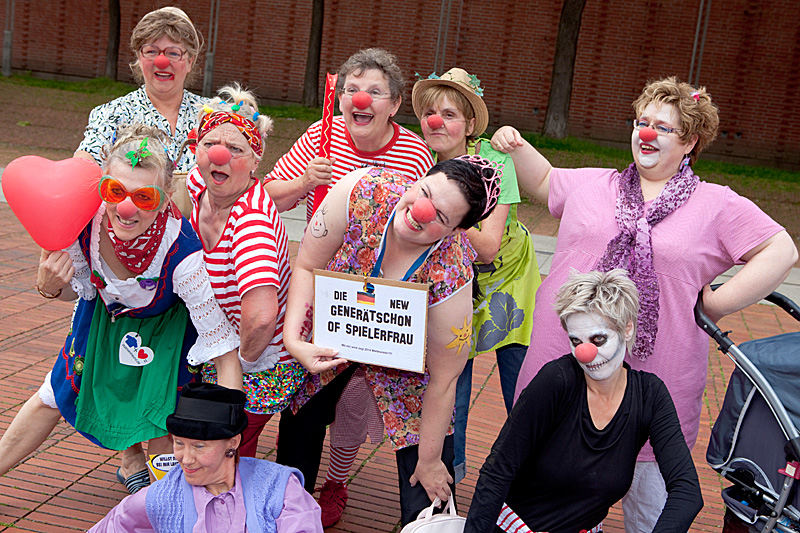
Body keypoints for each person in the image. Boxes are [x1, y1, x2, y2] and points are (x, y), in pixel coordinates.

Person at [492, 76, 799, 530]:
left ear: (691, 141)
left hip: (658, 381)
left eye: (664, 127)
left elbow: (781, 250)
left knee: (651, 514)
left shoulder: (715, 205)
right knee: (547, 511)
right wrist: (513, 145)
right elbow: (543, 179)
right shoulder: (593, 184)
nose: (647, 133)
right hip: (562, 367)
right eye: (641, 121)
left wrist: (716, 305)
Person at [0, 125, 241, 495]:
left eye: (143, 197)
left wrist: (229, 431)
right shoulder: (82, 225)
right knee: (55, 394)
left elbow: (223, 350)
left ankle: (167, 508)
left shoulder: (183, 254)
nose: (125, 209)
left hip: (163, 331)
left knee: (163, 421)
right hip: (102, 320)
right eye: (115, 191)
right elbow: (73, 291)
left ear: (163, 201)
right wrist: (49, 288)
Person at [276, 156, 501, 525]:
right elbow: (305, 264)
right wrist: (294, 341)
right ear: (418, 180)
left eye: (441, 217)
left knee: (428, 473)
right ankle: (286, 513)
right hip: (333, 333)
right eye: (425, 193)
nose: (422, 211)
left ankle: (429, 520)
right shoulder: (361, 192)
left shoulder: (452, 274)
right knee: (301, 417)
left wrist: (430, 460)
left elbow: (444, 380)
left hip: (409, 366)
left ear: (456, 231)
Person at [465, 270, 702, 533]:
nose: (586, 354)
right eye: (576, 341)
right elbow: (498, 470)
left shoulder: (650, 395)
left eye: (598, 339)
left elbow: (687, 490)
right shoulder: (557, 381)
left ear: (627, 328)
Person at [412, 67, 541, 484]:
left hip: (509, 285)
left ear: (469, 125)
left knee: (523, 390)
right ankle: (447, 482)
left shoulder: (496, 162)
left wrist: (442, 213)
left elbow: (486, 246)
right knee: (451, 389)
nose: (436, 122)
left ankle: (533, 484)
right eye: (431, 113)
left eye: (448, 114)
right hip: (458, 287)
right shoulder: (422, 164)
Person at [187, 84, 306, 458]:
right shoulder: (199, 183)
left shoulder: (251, 222)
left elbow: (260, 320)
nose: (219, 155)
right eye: (210, 145)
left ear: (256, 161)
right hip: (216, 342)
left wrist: (234, 365)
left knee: (226, 448)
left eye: (235, 149)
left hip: (259, 361)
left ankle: (234, 504)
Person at [88, 382, 323, 532]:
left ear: (233, 443)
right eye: (179, 443)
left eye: (199, 446)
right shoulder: (162, 497)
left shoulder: (278, 488)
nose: (185, 459)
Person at [264, 47, 434, 221]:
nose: (360, 100)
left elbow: (431, 220)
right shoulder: (321, 134)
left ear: (394, 105)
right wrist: (303, 182)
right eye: (352, 90)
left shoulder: (416, 155)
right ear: (339, 99)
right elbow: (267, 201)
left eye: (375, 92)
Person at [75, 6, 205, 214]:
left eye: (173, 53)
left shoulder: (211, 116)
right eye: (151, 51)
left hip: (203, 238)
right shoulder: (112, 113)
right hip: (133, 237)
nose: (162, 62)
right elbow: (86, 162)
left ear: (190, 61)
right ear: (139, 57)